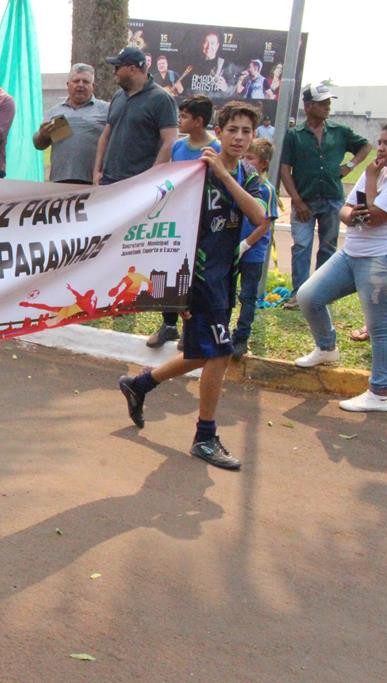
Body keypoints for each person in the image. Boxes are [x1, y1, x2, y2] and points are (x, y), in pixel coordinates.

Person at [117, 102, 267, 470]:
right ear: (219, 129)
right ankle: (204, 436)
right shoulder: (196, 172)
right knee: (219, 353)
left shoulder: (249, 178)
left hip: (224, 276)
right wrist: (175, 288)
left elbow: (259, 216)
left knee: (205, 350)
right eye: (232, 129)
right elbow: (172, 225)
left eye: (247, 131)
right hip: (197, 278)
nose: (239, 137)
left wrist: (227, 176)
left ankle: (140, 384)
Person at [294, 119, 387, 412]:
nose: (380, 148)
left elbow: (373, 216)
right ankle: (327, 348)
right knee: (309, 296)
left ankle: (379, 393)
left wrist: (368, 179)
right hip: (351, 253)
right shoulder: (380, 173)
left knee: (381, 327)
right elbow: (345, 207)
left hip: (383, 260)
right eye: (380, 142)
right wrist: (350, 214)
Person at [280, 83, 372, 304]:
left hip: (333, 197)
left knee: (328, 245)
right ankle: (299, 293)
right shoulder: (294, 135)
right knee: (301, 245)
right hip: (304, 199)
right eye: (322, 103)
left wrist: (350, 166)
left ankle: (321, 292)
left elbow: (366, 146)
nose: (327, 107)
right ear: (308, 106)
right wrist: (297, 200)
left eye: (329, 103)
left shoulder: (339, 131)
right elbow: (284, 169)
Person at [147, 95, 221, 348]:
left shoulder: (216, 149)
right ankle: (169, 324)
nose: (180, 120)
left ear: (199, 121)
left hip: (203, 221)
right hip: (178, 217)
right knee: (169, 267)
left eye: (185, 116)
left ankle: (192, 327)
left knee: (194, 274)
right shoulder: (179, 147)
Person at [94, 47, 178, 186]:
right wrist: (96, 172)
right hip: (108, 181)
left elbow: (170, 141)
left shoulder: (161, 99)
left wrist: (150, 179)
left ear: (132, 69)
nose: (114, 72)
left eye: (117, 67)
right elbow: (106, 135)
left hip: (137, 185)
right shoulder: (118, 96)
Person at [232, 138, 279, 359]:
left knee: (248, 296)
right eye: (243, 157)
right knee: (226, 293)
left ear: (263, 163)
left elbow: (265, 223)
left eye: (250, 158)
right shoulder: (239, 183)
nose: (245, 162)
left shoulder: (266, 189)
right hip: (231, 249)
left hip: (253, 253)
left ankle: (241, 336)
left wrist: (246, 244)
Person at [33, 64, 108, 185]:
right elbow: (39, 145)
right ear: (68, 85)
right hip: (60, 180)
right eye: (76, 81)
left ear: (93, 86)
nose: (80, 85)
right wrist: (42, 134)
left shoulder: (106, 110)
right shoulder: (54, 111)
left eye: (86, 82)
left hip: (94, 181)